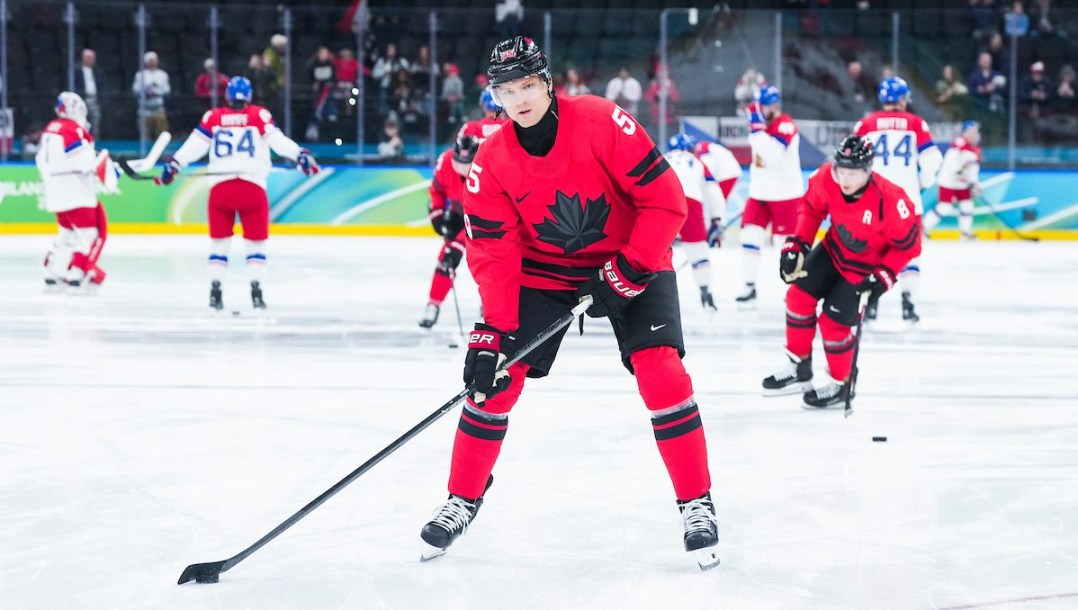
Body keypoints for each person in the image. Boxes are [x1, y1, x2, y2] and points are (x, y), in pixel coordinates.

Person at [419, 36, 718, 571]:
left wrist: (629, 268)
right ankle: (462, 497)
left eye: (528, 85)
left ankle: (696, 502)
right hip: (546, 274)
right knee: (495, 382)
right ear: (495, 98)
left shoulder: (602, 121)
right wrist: (492, 333)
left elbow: (666, 201)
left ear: (548, 83)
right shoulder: (490, 160)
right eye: (507, 90)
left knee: (662, 373)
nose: (520, 98)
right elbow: (493, 256)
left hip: (633, 256)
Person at [761, 136, 921, 408]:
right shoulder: (826, 178)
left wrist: (884, 276)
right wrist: (796, 245)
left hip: (866, 268)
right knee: (798, 298)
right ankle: (799, 367)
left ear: (868, 170)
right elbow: (811, 211)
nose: (845, 179)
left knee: (833, 323)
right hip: (833, 251)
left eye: (853, 172)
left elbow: (909, 247)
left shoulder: (892, 200)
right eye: (841, 170)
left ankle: (842, 383)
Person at [153, 77, 320, 311]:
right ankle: (256, 293)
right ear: (249, 96)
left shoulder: (213, 117)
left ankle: (215, 292)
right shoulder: (258, 116)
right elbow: (278, 141)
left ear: (227, 96)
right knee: (256, 246)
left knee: (219, 246)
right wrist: (299, 155)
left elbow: (193, 146)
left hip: (221, 190)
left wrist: (175, 164)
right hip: (252, 188)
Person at [853, 77, 942, 322]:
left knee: (871, 253)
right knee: (909, 253)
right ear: (903, 99)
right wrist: (921, 182)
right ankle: (908, 305)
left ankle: (870, 304)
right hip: (907, 201)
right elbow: (933, 160)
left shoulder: (867, 123)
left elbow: (851, 160)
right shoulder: (915, 123)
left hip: (874, 200)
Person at [35, 92, 115, 292]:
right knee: (89, 234)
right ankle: (77, 273)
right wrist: (104, 166)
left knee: (67, 233)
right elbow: (82, 160)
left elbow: (40, 161)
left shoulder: (50, 129)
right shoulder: (73, 130)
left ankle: (53, 270)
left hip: (55, 189)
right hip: (76, 190)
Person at [736, 85, 803, 307]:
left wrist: (756, 129)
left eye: (764, 105)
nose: (761, 110)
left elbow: (771, 155)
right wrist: (757, 129)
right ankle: (749, 286)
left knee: (787, 245)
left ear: (774, 105)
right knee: (749, 237)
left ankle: (795, 290)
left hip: (786, 194)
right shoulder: (761, 127)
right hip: (759, 193)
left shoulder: (785, 124)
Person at [418, 135, 481, 328]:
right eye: (459, 161)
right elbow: (436, 190)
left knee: (489, 266)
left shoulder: (487, 164)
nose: (462, 167)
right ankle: (433, 305)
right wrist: (437, 215)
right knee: (447, 260)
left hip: (484, 219)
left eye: (467, 162)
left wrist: (458, 240)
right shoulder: (445, 162)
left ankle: (491, 305)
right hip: (458, 214)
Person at [665, 133, 724, 311]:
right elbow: (714, 193)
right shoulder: (697, 162)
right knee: (698, 251)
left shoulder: (662, 157)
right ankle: (705, 291)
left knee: (657, 250)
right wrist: (717, 219)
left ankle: (650, 288)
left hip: (664, 200)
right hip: (691, 202)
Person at [924, 121, 981, 240]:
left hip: (962, 183)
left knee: (967, 205)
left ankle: (966, 232)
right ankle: (924, 228)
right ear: (965, 132)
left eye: (975, 131)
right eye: (971, 131)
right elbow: (950, 163)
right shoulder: (959, 143)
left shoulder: (975, 149)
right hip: (948, 181)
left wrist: (974, 182)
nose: (973, 134)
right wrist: (958, 172)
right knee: (945, 207)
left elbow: (973, 169)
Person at [131, 51, 170, 140]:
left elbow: (167, 90)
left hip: (159, 110)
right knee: (145, 136)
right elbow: (135, 90)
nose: (152, 62)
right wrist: (146, 92)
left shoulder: (163, 75)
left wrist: (156, 92)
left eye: (154, 60)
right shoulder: (140, 75)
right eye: (150, 60)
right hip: (144, 111)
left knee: (161, 135)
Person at [74, 49, 104, 137]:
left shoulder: (98, 71)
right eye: (88, 57)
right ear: (83, 58)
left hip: (95, 101)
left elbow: (102, 85)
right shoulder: (76, 70)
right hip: (81, 101)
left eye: (92, 58)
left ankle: (94, 140)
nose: (90, 60)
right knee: (81, 122)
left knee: (95, 123)